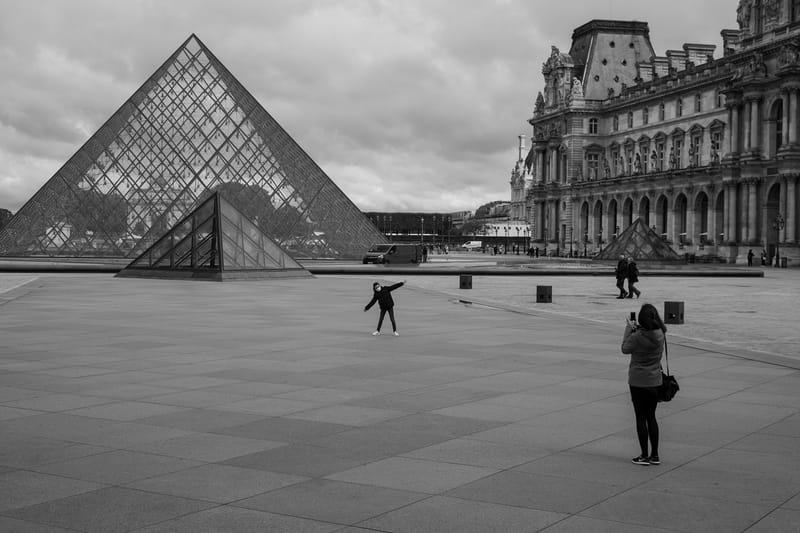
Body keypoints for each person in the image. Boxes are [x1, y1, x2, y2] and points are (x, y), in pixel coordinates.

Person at [621, 303, 667, 466]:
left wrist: (629, 329)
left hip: (638, 380)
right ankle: (655, 455)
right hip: (654, 380)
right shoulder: (660, 333)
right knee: (651, 417)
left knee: (640, 417)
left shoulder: (637, 336)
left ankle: (643, 455)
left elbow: (625, 349)